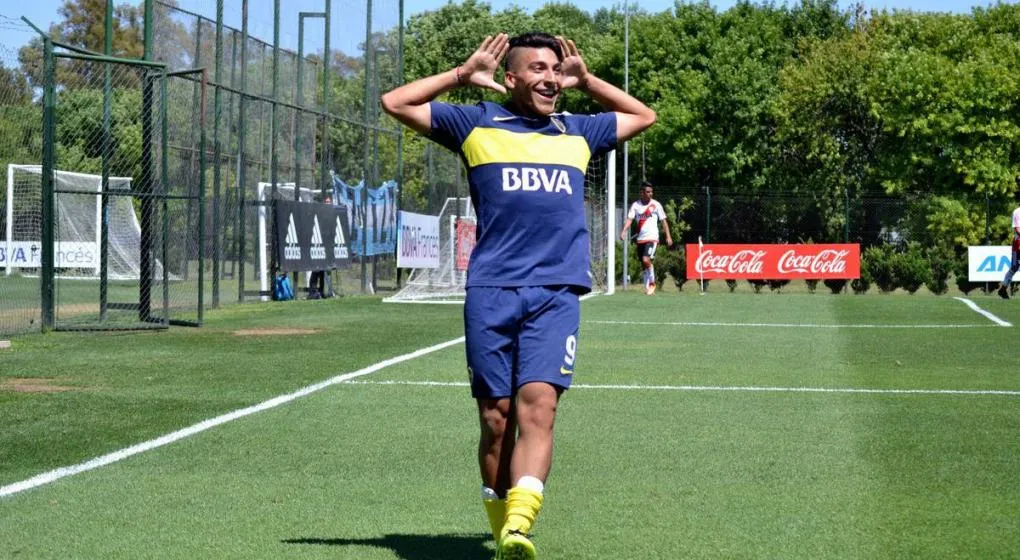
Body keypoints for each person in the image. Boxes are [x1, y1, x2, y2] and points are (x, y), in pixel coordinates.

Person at [380, 32, 655, 559]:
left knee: (539, 407)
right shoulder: (475, 123)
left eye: (556, 70)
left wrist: (588, 81)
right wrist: (461, 75)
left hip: (556, 292)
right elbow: (396, 102)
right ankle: (501, 522)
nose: (550, 78)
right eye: (537, 69)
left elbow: (643, 116)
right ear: (510, 78)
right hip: (491, 291)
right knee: (496, 419)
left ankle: (518, 529)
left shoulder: (579, 129)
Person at [619, 181, 673, 295]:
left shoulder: (656, 205)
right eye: (648, 192)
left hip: (652, 238)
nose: (650, 194)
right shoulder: (635, 205)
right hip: (640, 239)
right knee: (643, 264)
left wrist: (668, 236)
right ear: (642, 193)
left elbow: (663, 221)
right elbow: (630, 219)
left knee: (646, 259)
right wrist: (624, 231)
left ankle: (652, 283)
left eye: (651, 192)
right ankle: (647, 288)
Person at [997, 202, 1020, 299]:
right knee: (1014, 267)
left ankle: (1002, 289)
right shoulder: (1017, 212)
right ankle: (1003, 288)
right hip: (1018, 243)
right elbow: (1018, 229)